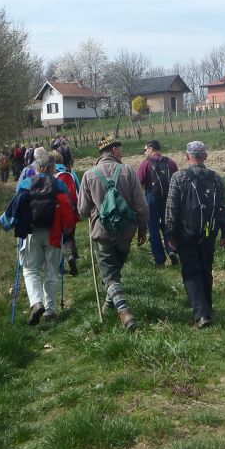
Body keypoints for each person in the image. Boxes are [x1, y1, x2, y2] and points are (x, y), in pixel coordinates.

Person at [78, 135, 149, 330]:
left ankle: (121, 310)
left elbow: (82, 210)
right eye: (121, 149)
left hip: (103, 233)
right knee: (114, 272)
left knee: (111, 274)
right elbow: (142, 206)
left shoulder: (89, 175)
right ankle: (122, 310)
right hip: (126, 231)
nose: (123, 153)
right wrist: (143, 228)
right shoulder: (128, 171)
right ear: (113, 150)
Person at [165, 141, 225, 329]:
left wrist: (170, 234)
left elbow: (171, 209)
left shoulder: (178, 178)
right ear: (206, 157)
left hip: (186, 233)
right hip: (209, 232)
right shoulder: (217, 179)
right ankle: (207, 309)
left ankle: (201, 314)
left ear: (187, 157)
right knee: (205, 268)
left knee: (191, 271)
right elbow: (223, 208)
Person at [17, 153, 76, 324]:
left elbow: (18, 206)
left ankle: (36, 303)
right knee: (51, 270)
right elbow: (69, 206)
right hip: (54, 233)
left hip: (31, 232)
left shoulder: (27, 183)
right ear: (52, 167)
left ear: (37, 167)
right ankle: (50, 310)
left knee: (30, 270)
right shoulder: (59, 185)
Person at [136, 140, 179, 268]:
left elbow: (139, 183)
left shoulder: (146, 164)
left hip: (151, 199)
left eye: (145, 150)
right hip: (169, 199)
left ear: (150, 149)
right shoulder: (171, 163)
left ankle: (159, 260)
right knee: (168, 226)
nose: (144, 152)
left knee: (153, 229)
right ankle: (171, 250)